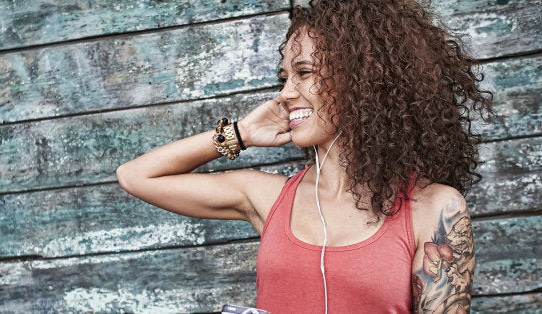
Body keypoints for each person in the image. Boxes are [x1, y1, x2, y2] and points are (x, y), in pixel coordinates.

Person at [116, 0, 493, 312]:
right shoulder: (269, 198)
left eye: (305, 72)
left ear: (365, 78)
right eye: (284, 77)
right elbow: (136, 176)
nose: (285, 93)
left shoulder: (435, 208)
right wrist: (241, 133)